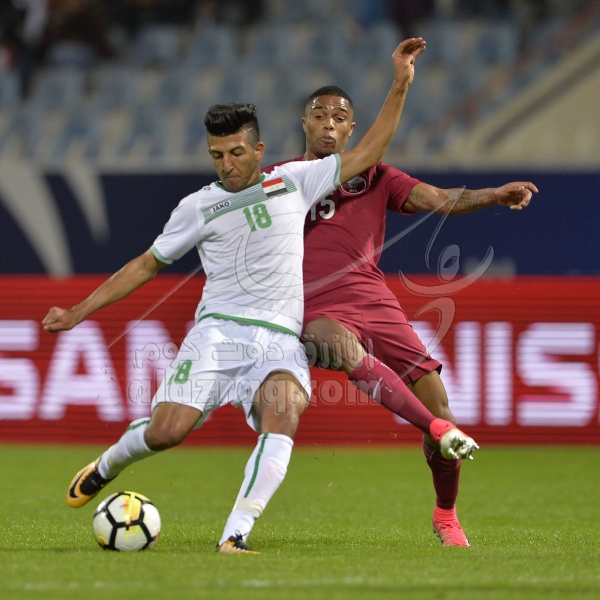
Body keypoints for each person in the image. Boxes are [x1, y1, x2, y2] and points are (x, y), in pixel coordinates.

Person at [42, 38, 475, 554]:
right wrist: (80, 311)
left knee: (283, 415)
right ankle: (109, 463)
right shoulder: (197, 206)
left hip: (280, 339)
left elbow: (368, 153)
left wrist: (400, 84)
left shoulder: (295, 181)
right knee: (166, 433)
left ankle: (235, 534)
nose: (226, 165)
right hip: (218, 334)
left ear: (259, 150)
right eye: (217, 155)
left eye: (236, 153)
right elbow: (146, 264)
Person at [264, 85, 537, 547]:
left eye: (339, 117)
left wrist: (494, 194)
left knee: (441, 403)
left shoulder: (377, 176)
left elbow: (438, 199)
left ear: (352, 129)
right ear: (304, 123)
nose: (328, 124)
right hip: (314, 303)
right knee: (337, 345)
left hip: (374, 300)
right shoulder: (282, 178)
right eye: (319, 115)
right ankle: (434, 430)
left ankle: (446, 514)